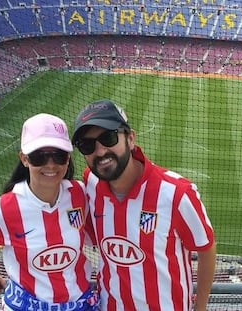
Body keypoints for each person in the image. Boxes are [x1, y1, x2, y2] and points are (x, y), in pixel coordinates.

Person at [71, 99, 216, 311]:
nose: (100, 152)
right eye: (87, 145)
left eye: (108, 138)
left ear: (130, 139)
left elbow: (206, 248)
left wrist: (200, 308)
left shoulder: (176, 193)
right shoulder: (91, 182)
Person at [0, 113, 98, 311]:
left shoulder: (79, 192)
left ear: (68, 158)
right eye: (39, 157)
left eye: (59, 155)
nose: (51, 164)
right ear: (24, 159)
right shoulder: (3, 208)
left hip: (80, 303)